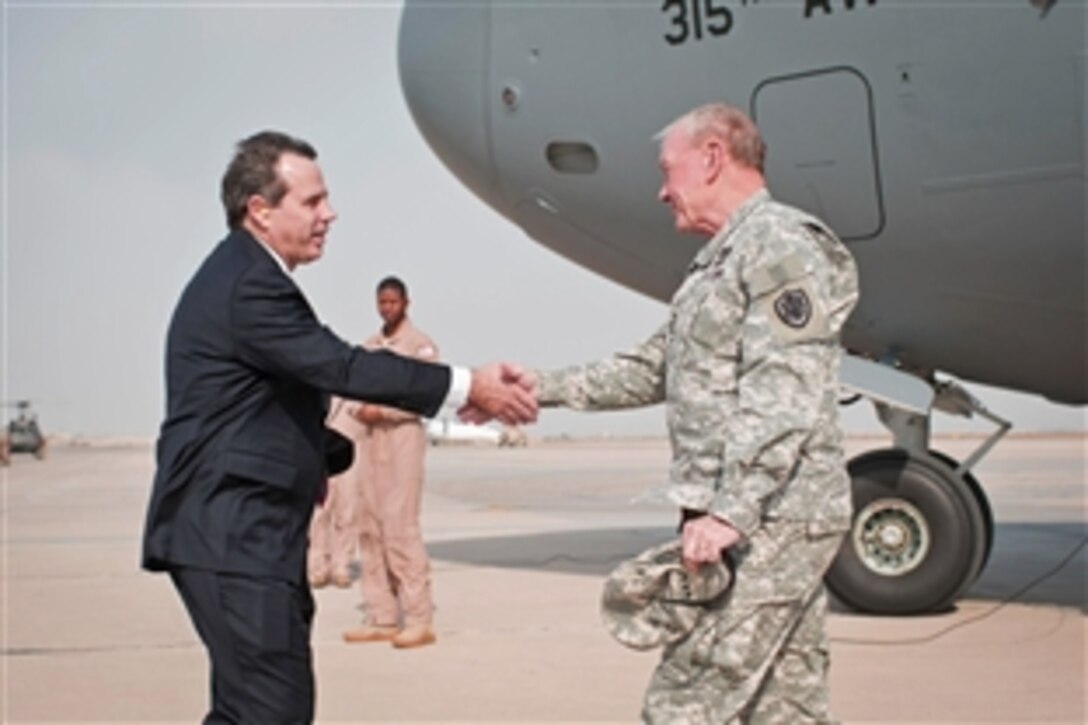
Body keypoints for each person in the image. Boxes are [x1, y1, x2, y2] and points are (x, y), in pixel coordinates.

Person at [141, 130, 535, 724]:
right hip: (232, 535)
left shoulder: (247, 276)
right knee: (273, 710)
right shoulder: (251, 284)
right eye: (313, 201)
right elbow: (340, 365)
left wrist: (320, 452)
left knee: (247, 711)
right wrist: (466, 387)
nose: (331, 214)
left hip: (242, 534)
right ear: (261, 210)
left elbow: (258, 403)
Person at [527, 103, 859, 723]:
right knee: (784, 706)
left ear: (712, 158)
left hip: (771, 518)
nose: (660, 191)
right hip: (756, 515)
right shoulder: (718, 265)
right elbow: (652, 367)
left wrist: (732, 509)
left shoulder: (781, 246)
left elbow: (785, 386)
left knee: (687, 700)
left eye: (666, 170)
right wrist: (538, 388)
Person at [342, 276, 440, 649]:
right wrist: (359, 408)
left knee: (401, 526)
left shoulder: (420, 346)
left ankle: (418, 617)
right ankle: (381, 614)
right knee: (370, 527)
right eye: (382, 303)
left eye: (393, 302)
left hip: (402, 440)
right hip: (371, 443)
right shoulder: (369, 347)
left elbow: (422, 394)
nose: (387, 309)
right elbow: (352, 388)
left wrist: (380, 408)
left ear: (406, 303)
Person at [306, 395, 364, 589]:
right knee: (318, 512)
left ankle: (342, 564)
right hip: (322, 447)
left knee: (347, 511)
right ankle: (316, 565)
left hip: (351, 449)